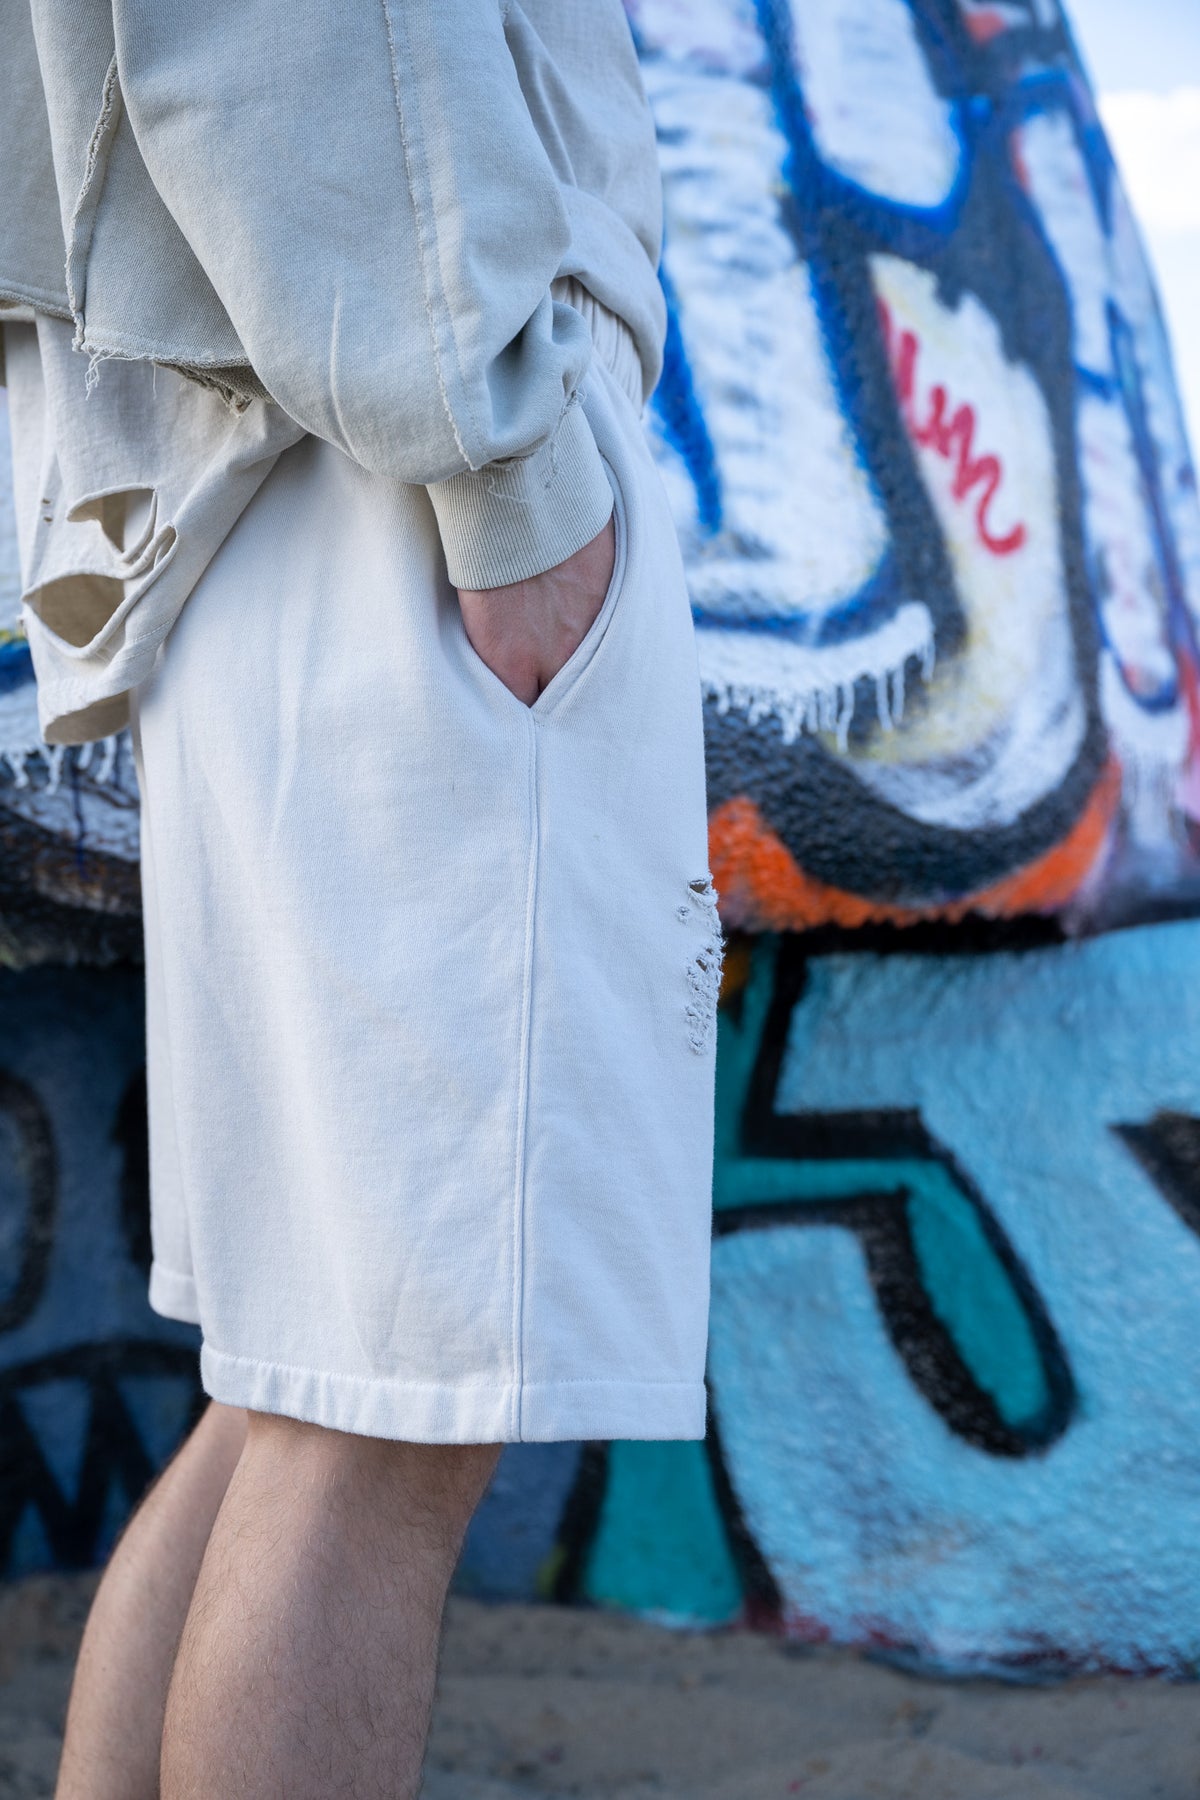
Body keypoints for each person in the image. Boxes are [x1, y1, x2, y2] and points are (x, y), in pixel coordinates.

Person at [1, 2, 719, 1794]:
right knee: (374, 1426)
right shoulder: (462, 449)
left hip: (277, 432)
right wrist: (510, 474)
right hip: (400, 457)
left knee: (301, 1387)